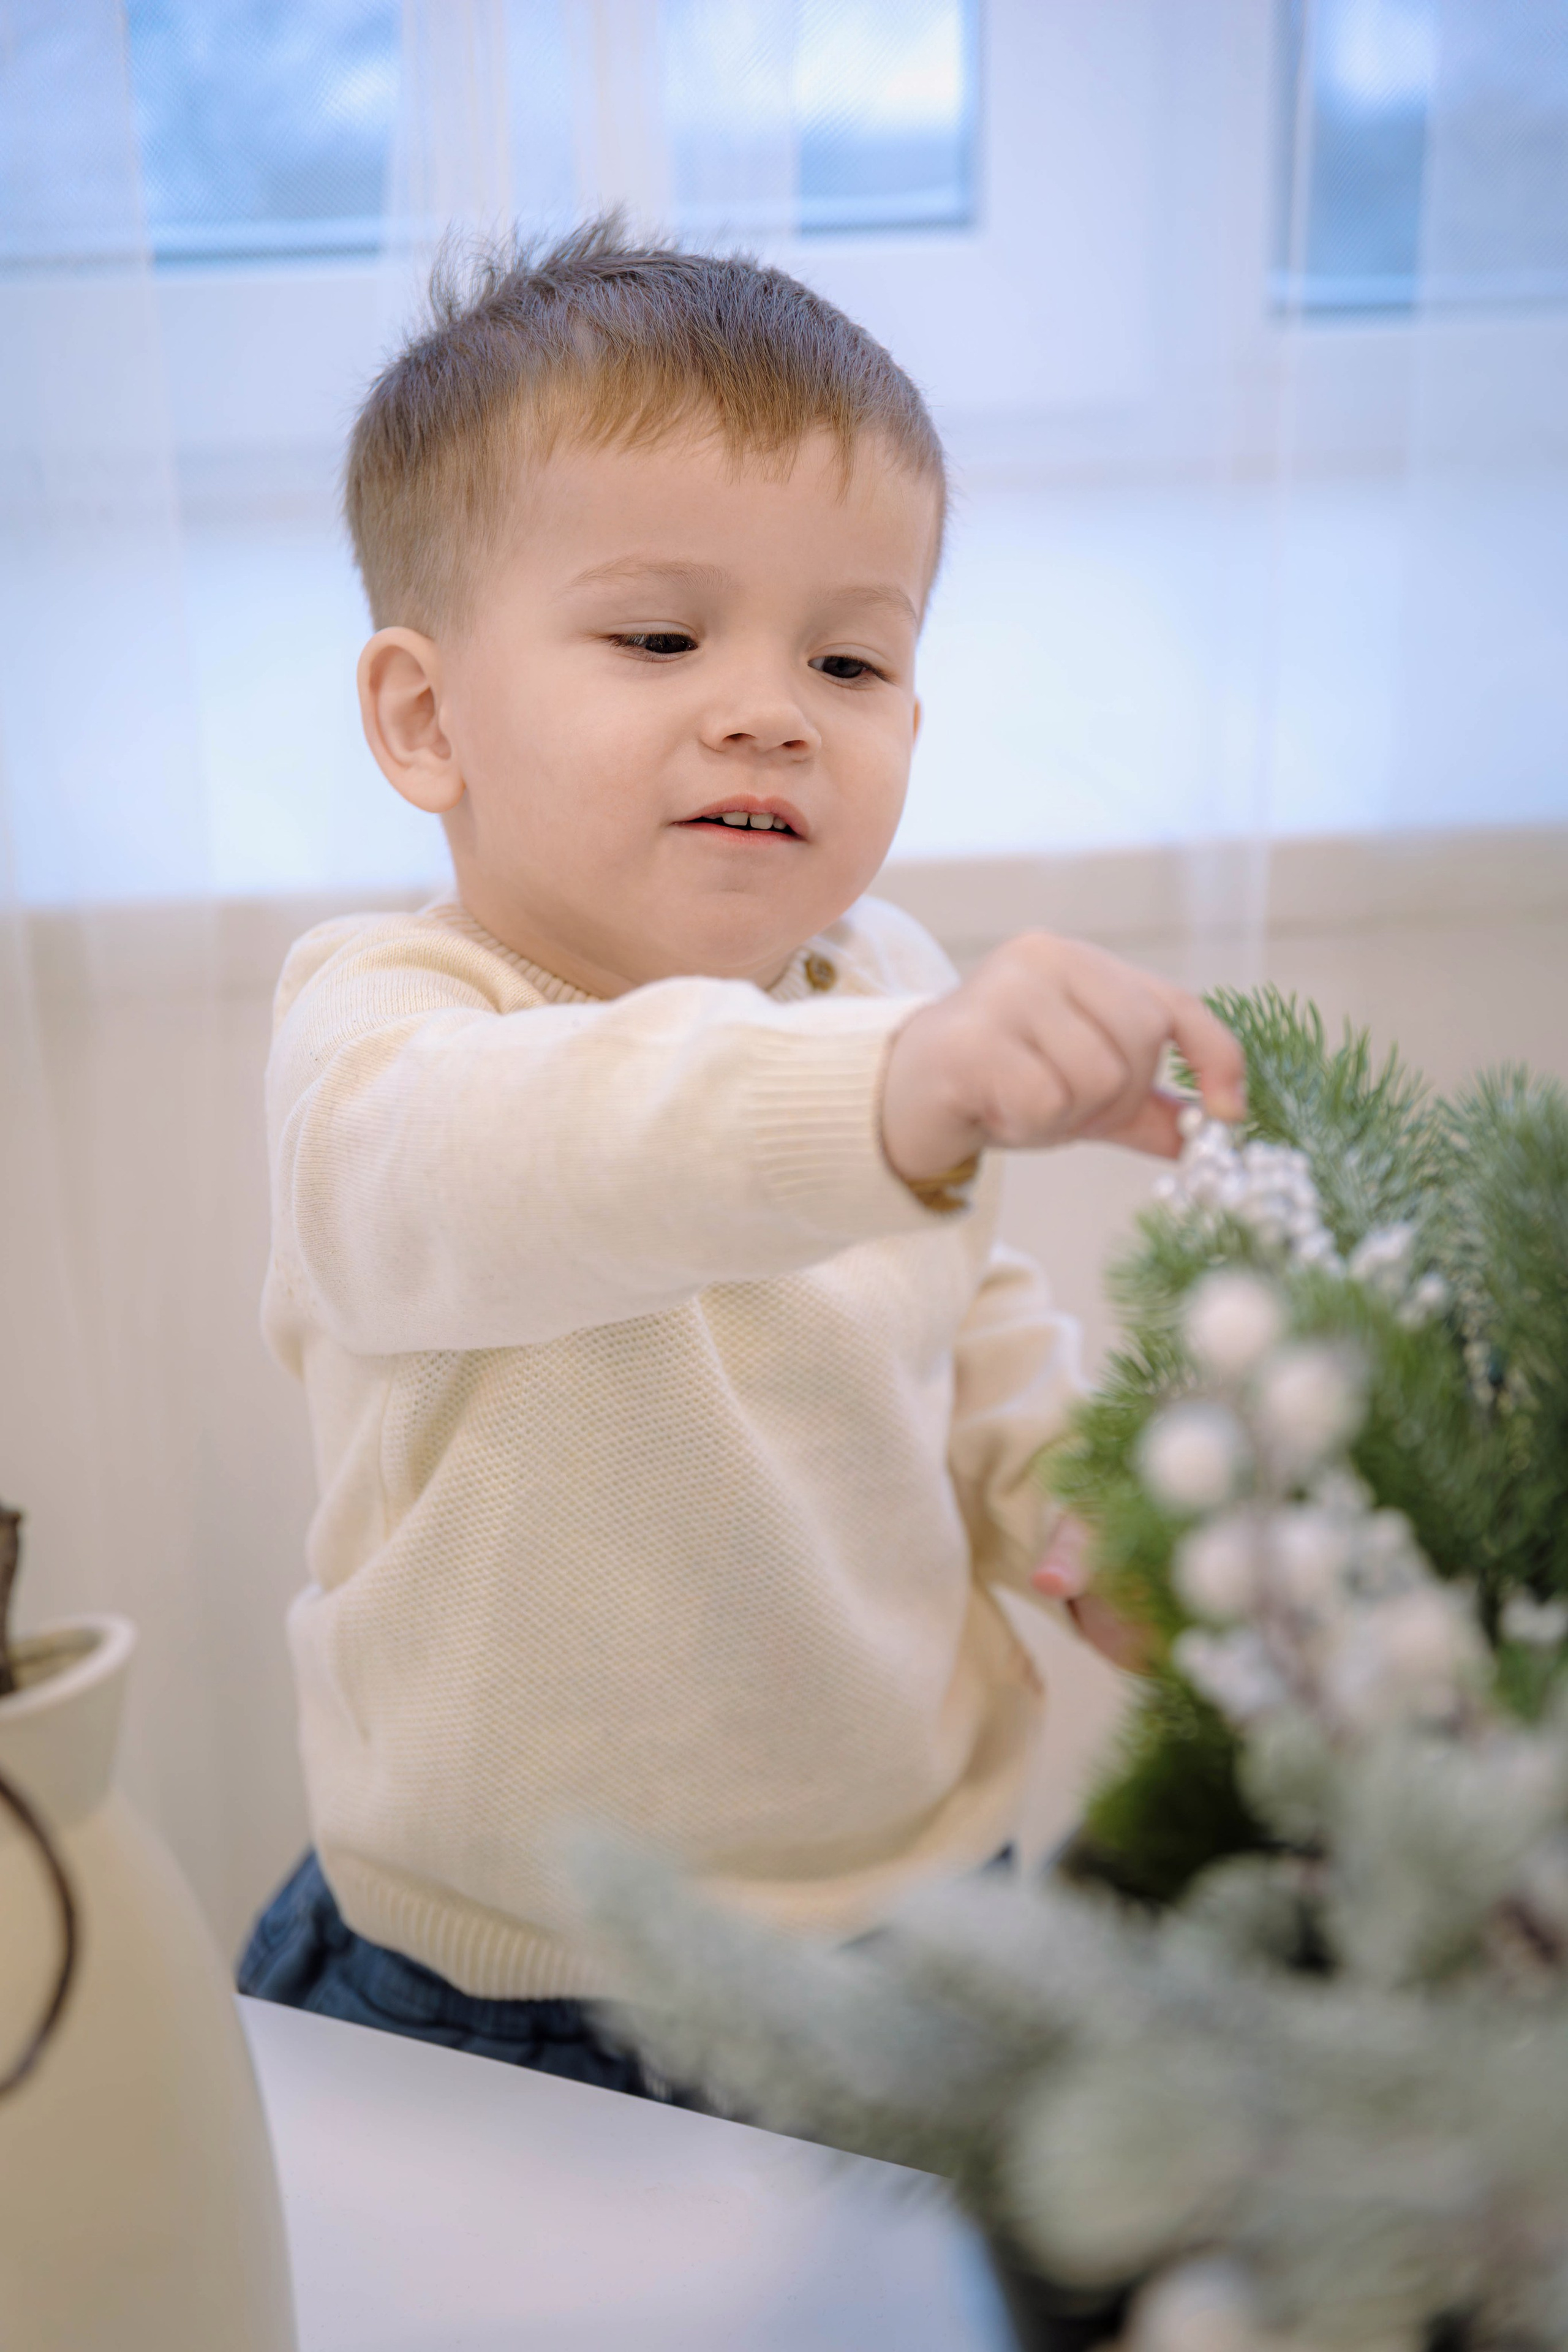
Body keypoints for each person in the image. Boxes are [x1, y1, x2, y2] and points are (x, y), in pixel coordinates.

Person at [239, 219, 1243, 2097]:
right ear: (427, 715)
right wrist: (885, 1093)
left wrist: (1072, 1496)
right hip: (521, 1979)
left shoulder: (886, 987)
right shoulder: (384, 1030)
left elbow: (972, 1316)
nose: (770, 703)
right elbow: (522, 1165)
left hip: (920, 1913)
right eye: (659, 635)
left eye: (851, 659)